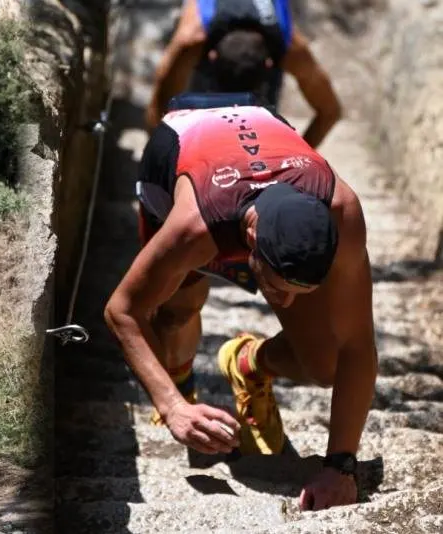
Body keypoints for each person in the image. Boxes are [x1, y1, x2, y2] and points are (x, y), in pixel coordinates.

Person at [105, 94, 376, 511]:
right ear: (250, 243)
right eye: (278, 286)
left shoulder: (343, 211)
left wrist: (341, 466)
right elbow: (122, 311)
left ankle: (247, 362)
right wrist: (172, 406)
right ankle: (183, 386)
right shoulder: (194, 228)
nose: (282, 302)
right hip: (182, 148)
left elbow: (358, 345)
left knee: (326, 365)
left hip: (254, 124)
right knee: (178, 309)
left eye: (295, 293)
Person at [145, 0, 341, 149]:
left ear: (269, 64)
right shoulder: (193, 40)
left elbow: (329, 112)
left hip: (259, 60)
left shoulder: (291, 50)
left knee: (260, 131)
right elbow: (160, 109)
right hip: (208, 52)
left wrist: (297, 161)